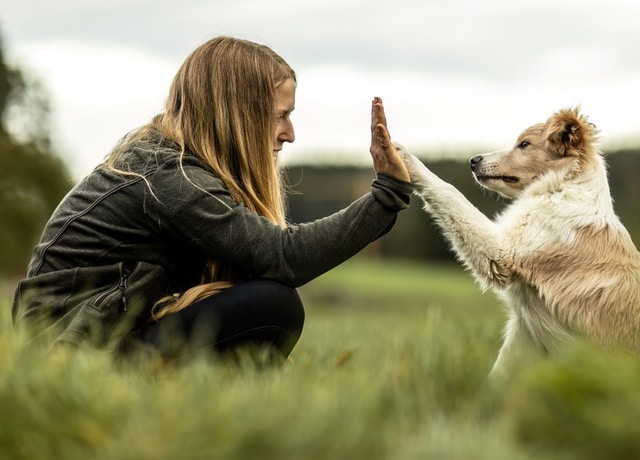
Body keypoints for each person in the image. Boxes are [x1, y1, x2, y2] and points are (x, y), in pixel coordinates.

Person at [12, 36, 412, 363]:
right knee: (272, 306)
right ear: (237, 114)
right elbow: (284, 256)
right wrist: (386, 197)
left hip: (96, 340)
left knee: (260, 300)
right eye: (279, 115)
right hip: (71, 354)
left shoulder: (173, 163)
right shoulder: (168, 176)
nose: (289, 133)